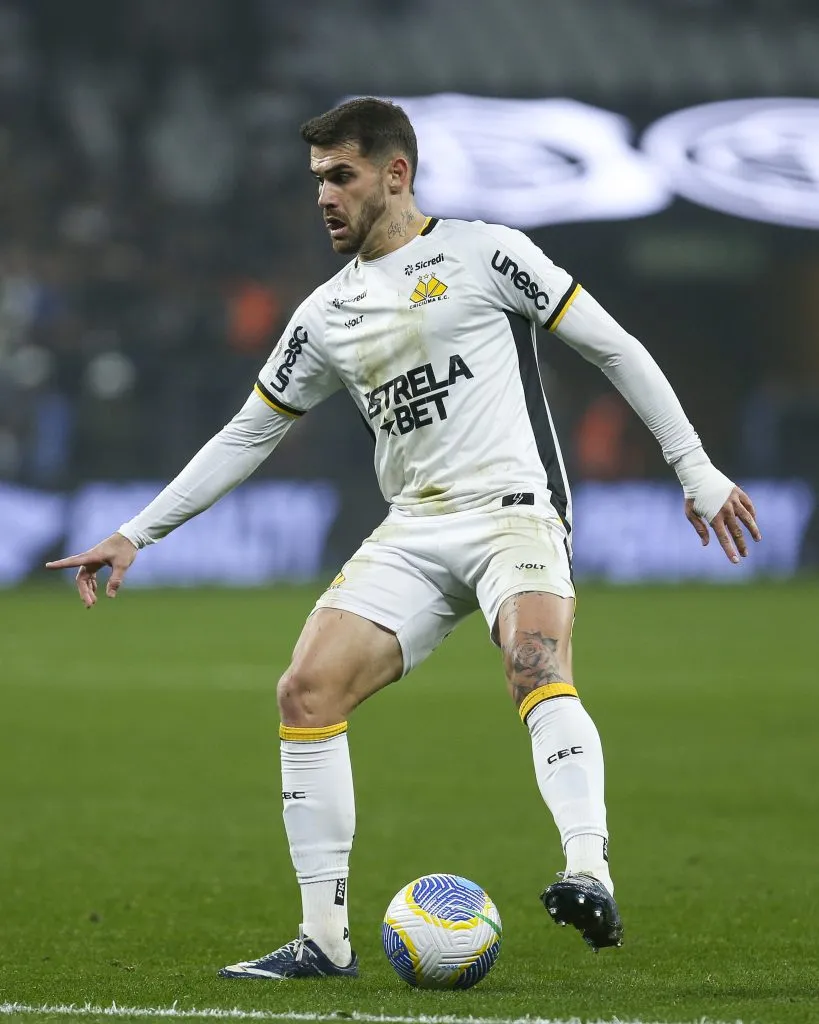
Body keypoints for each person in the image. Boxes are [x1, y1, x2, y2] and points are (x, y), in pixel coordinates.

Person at [46, 98, 761, 979]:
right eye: (316, 180)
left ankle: (588, 870)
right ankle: (324, 940)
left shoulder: (486, 252)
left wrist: (694, 468)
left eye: (340, 176)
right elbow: (248, 433)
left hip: (514, 510)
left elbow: (614, 348)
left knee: (534, 664)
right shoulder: (323, 315)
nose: (324, 197)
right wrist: (134, 534)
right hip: (414, 528)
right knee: (305, 691)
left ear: (396, 174)